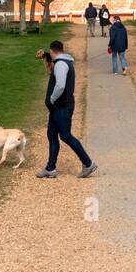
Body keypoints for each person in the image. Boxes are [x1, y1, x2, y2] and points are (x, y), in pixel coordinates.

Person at [36, 40, 97, 179]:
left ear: (53, 51)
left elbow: (60, 86)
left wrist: (51, 99)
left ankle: (88, 164)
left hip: (62, 106)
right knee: (51, 134)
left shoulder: (61, 65)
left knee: (65, 136)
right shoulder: (62, 61)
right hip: (57, 107)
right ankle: (50, 168)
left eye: (50, 52)